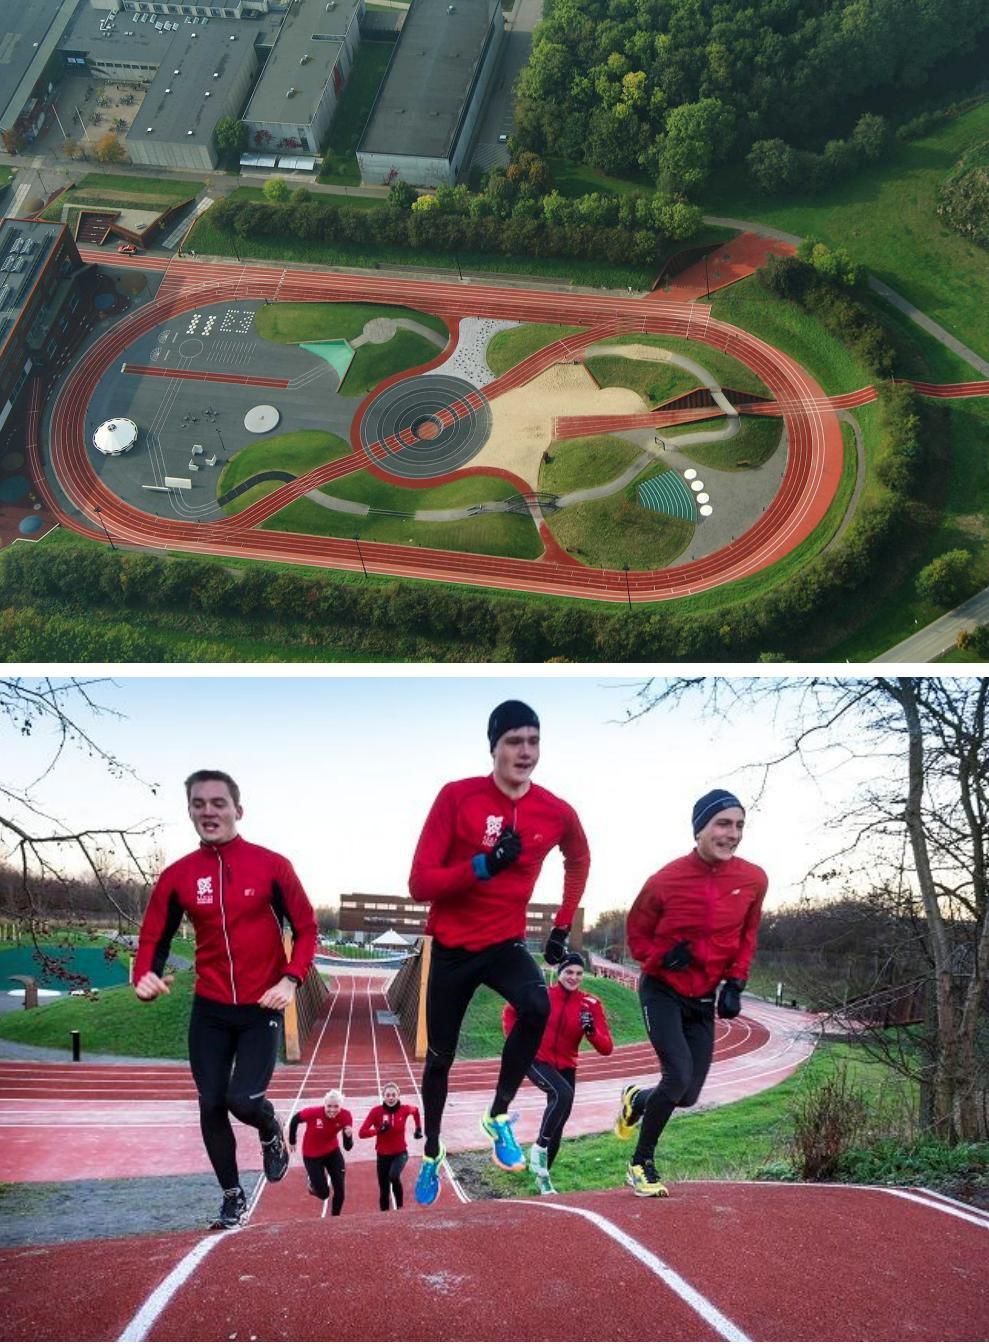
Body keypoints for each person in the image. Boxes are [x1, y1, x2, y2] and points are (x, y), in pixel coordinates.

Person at [408, 699, 591, 1206]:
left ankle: (498, 1115)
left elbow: (579, 857)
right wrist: (485, 865)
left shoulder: (555, 811)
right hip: (451, 948)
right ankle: (431, 1151)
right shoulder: (458, 798)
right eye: (514, 740)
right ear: (493, 747)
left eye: (533, 740)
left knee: (537, 1005)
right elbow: (421, 882)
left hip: (504, 942)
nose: (525, 751)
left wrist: (561, 924)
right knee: (440, 1060)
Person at [132, 770, 318, 1230]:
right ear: (190, 811)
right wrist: (146, 974)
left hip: (262, 1007)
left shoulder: (272, 866)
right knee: (211, 1102)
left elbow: (307, 928)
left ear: (238, 809)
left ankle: (270, 1128)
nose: (208, 811)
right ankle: (231, 1197)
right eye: (199, 804)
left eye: (218, 803)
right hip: (210, 1009)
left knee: (244, 1100)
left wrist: (292, 979)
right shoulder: (179, 876)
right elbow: (155, 933)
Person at [615, 789, 767, 1197]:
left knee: (687, 1095)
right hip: (662, 990)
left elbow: (747, 936)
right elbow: (636, 938)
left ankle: (637, 1099)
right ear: (700, 828)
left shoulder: (753, 879)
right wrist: (663, 956)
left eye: (739, 825)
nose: (732, 834)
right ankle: (640, 1165)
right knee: (677, 1075)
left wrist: (736, 982)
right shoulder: (664, 881)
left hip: (704, 998)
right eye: (723, 823)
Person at [502, 951, 613, 1195]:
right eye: (569, 972)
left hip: (567, 1065)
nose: (573, 977)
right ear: (559, 973)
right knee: (562, 1095)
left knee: (559, 1122)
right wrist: (515, 1041)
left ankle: (543, 1176)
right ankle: (538, 1149)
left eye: (579, 973)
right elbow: (510, 1010)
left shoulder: (591, 1004)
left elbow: (607, 1048)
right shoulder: (542, 994)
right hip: (534, 1058)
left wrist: (591, 1031)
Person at [288, 1089, 353, 1216]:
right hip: (312, 1155)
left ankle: (335, 1218)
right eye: (329, 1106)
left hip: (332, 1152)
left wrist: (348, 1136)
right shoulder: (313, 1113)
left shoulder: (346, 1115)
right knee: (324, 1194)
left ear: (341, 1106)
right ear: (324, 1105)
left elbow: (348, 1147)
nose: (332, 1110)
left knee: (340, 1190)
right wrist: (292, 1141)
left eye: (336, 1106)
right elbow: (295, 1119)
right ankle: (312, 1182)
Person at [359, 1083, 422, 1211]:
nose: (391, 1098)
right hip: (382, 1156)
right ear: (383, 1096)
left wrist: (418, 1128)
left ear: (398, 1096)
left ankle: (400, 1207)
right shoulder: (376, 1112)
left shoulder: (404, 1109)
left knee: (393, 1176)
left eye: (394, 1095)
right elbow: (362, 1133)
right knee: (384, 1190)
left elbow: (416, 1111)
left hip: (400, 1153)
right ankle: (384, 1215)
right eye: (388, 1095)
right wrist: (378, 1130)